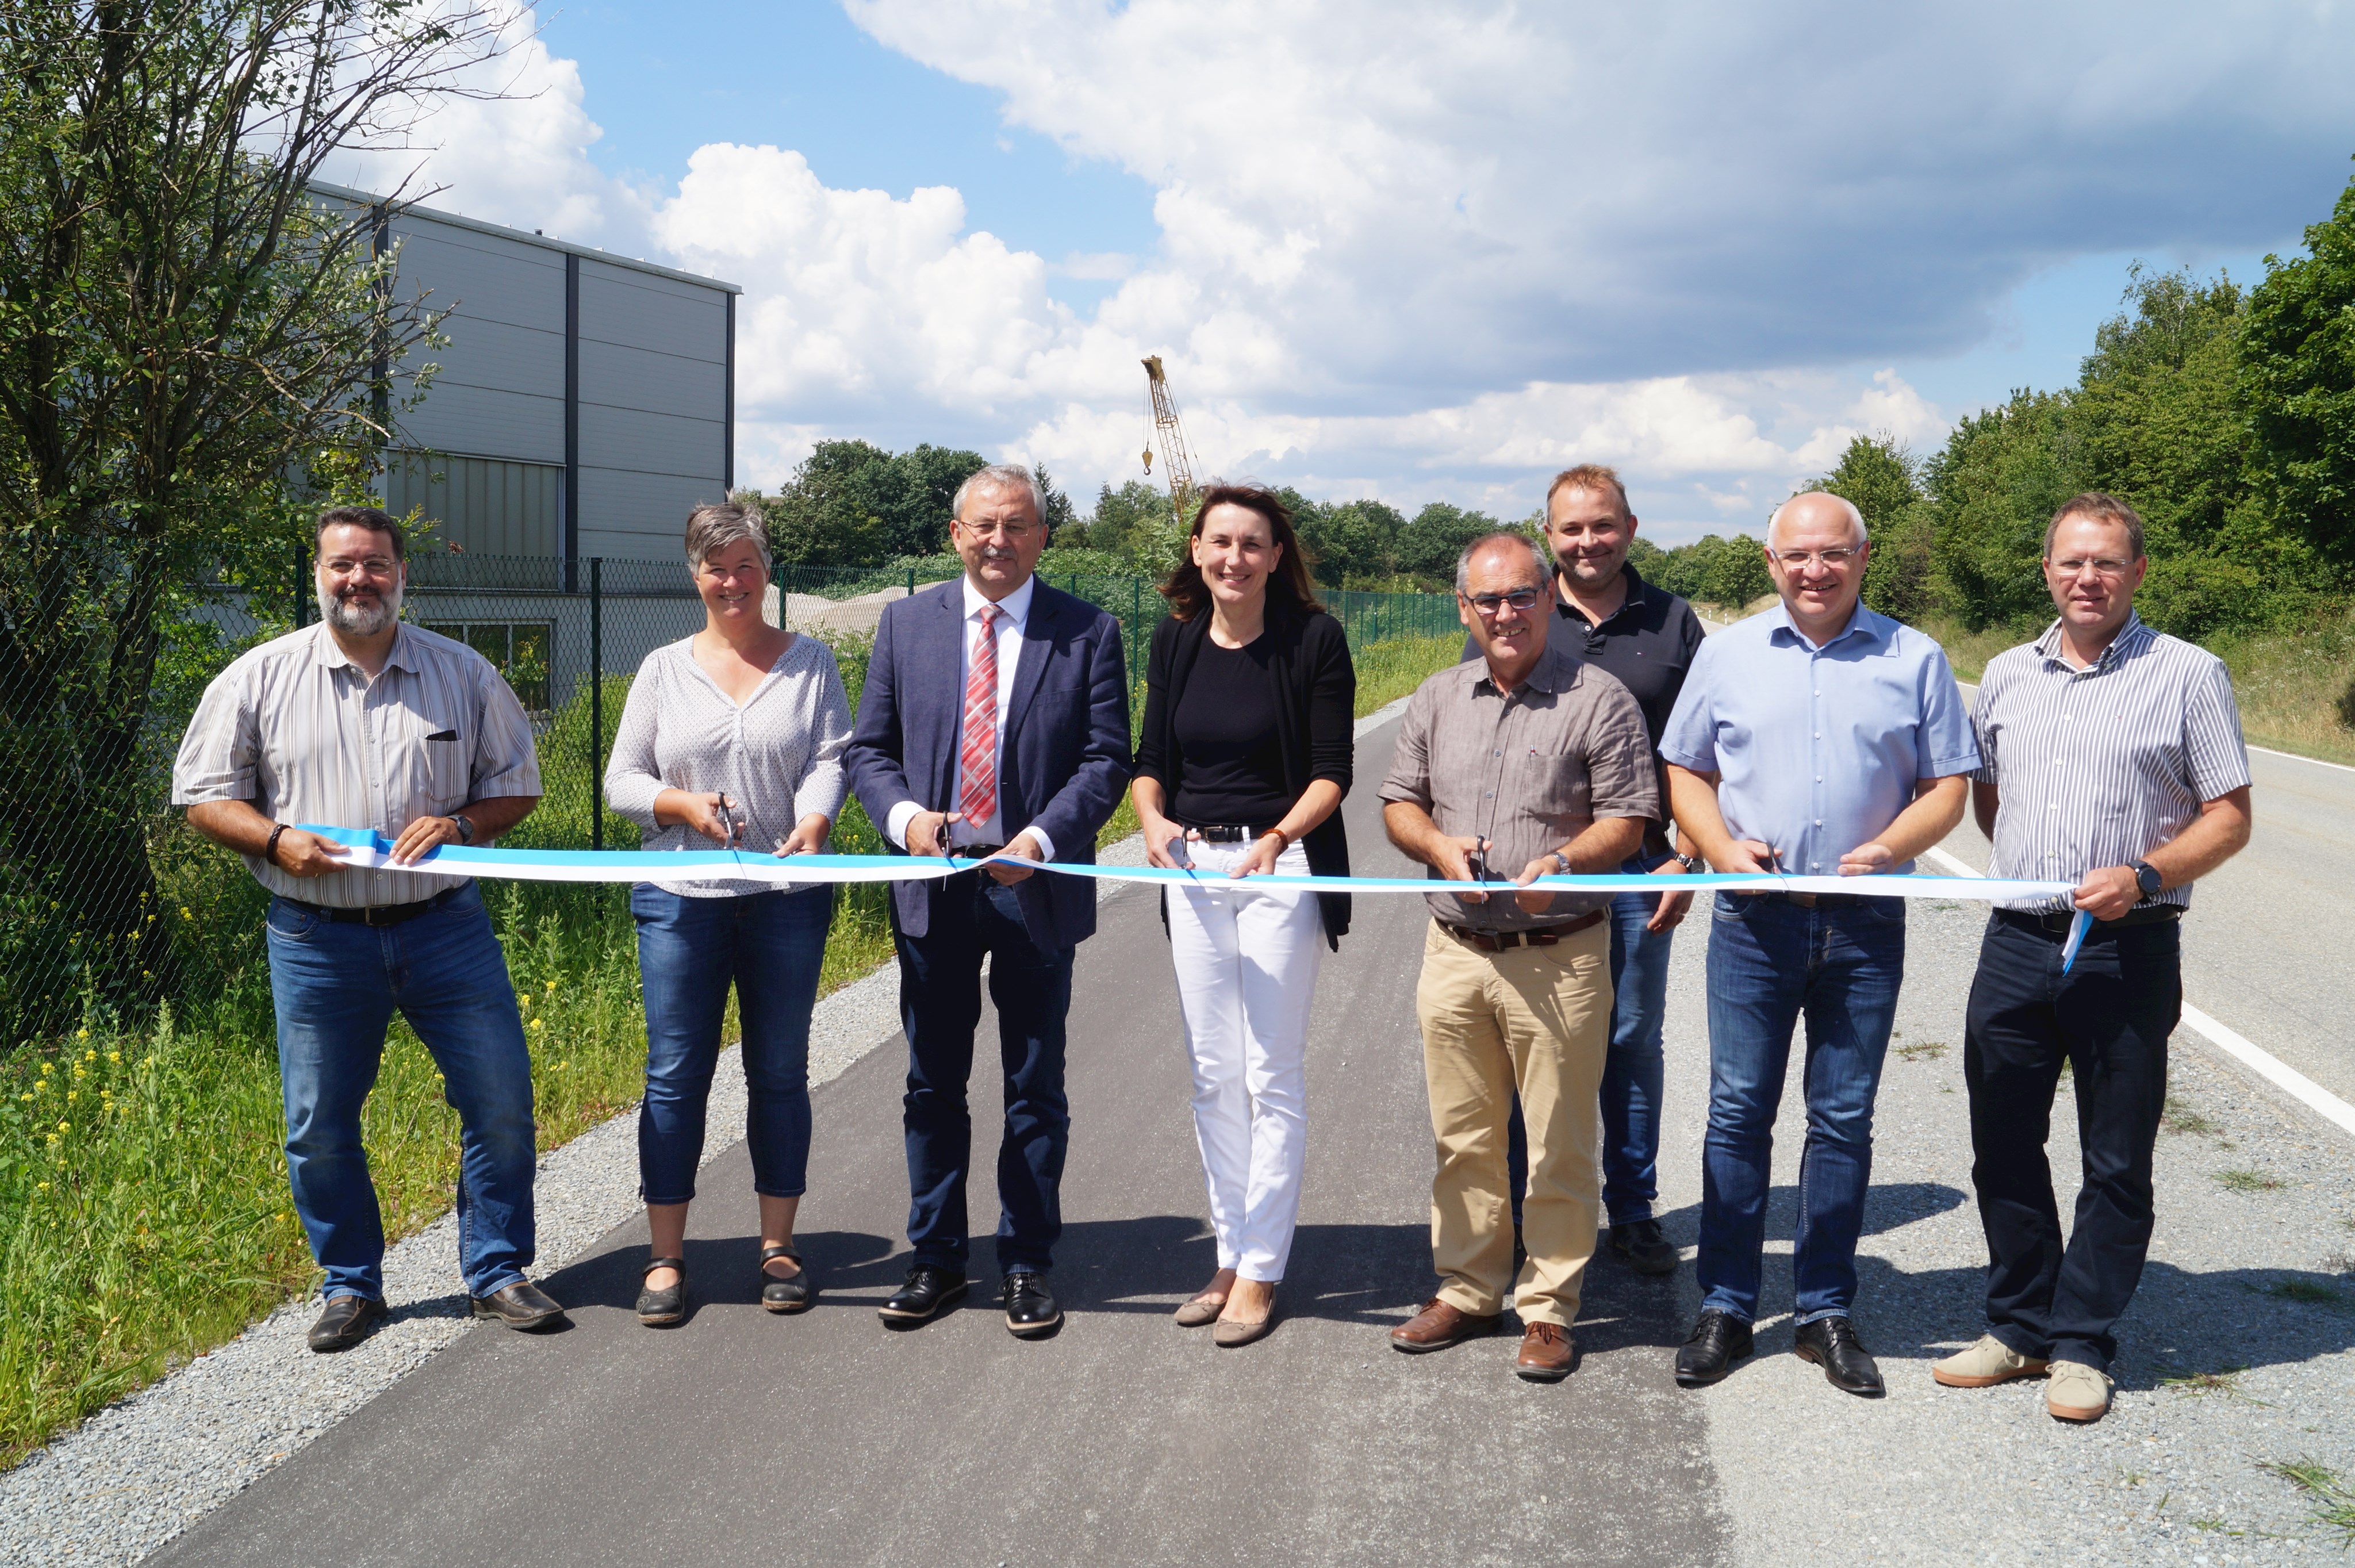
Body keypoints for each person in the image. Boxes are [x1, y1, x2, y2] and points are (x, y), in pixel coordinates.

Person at [172, 505, 562, 1352]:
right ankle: (352, 1285)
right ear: (317, 575)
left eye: (377, 565)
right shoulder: (258, 678)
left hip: (445, 930)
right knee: (319, 1125)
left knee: (499, 1103)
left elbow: (518, 783)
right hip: (316, 940)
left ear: (401, 576)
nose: (360, 580)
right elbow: (204, 796)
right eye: (344, 565)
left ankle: (496, 1271)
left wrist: (460, 826)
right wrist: (276, 839)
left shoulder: (462, 673)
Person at [1933, 493, 2252, 1424]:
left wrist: (2146, 875)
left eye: (2107, 563)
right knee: (2004, 1141)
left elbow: (2229, 818)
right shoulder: (2003, 674)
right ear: (2047, 571)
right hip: (2016, 941)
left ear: (2137, 574)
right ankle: (2018, 1328)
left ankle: (2082, 1344)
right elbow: (1995, 805)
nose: (2088, 578)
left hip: (2129, 949)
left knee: (2115, 1158)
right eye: (2072, 562)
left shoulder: (2189, 674)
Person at [1660, 491, 1979, 1397]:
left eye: (1833, 553)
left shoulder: (1914, 657)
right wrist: (1721, 850)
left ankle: (1825, 1311)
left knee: (1842, 1120)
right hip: (1752, 922)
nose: (1815, 569)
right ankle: (1724, 1302)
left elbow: (1947, 784)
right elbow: (1684, 770)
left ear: (1863, 556)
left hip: (1866, 920)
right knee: (1737, 1113)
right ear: (1772, 562)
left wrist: (1888, 849)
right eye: (1797, 555)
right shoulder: (1725, 657)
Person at [845, 463, 1131, 1339]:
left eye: (1016, 526)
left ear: (1043, 536)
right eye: (982, 526)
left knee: (1032, 1084)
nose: (998, 541)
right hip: (936, 888)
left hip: (1033, 891)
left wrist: (1039, 842)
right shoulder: (905, 624)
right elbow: (869, 751)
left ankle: (1026, 1262)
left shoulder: (1087, 631)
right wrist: (903, 821)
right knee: (933, 1081)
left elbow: (1106, 759)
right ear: (956, 535)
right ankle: (934, 1258)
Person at [1379, 532, 1659, 1383]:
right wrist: (1435, 845)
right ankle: (1468, 1289)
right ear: (1463, 608)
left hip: (1560, 953)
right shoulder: (1434, 697)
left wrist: (1568, 862)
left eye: (1521, 597)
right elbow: (1400, 803)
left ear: (1548, 599)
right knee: (1463, 1135)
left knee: (1559, 1141)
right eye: (1487, 601)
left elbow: (1630, 819)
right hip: (1456, 951)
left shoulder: (1598, 698)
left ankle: (1549, 1307)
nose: (1505, 615)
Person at [603, 501, 853, 1327]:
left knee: (779, 1072)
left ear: (767, 570)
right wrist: (677, 804)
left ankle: (777, 1247)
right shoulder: (662, 670)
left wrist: (816, 821)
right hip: (680, 902)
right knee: (675, 1078)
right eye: (717, 567)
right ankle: (666, 1256)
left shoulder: (811, 663)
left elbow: (830, 759)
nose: (733, 581)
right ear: (694, 575)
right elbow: (623, 782)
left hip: (786, 901)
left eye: (747, 565)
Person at [1468, 465, 1707, 1277]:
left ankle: (1633, 1211)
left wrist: (1690, 853)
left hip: (1638, 874)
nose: (1587, 542)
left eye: (1602, 526)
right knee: (1524, 1044)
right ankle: (1519, 1209)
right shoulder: (1519, 608)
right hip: (1536, 883)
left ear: (1630, 529)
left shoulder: (1674, 624)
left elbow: (1699, 753)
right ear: (1548, 538)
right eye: (1570, 529)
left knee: (1631, 1040)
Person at [1131, 484, 1356, 1348]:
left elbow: (1331, 772)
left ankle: (1262, 1269)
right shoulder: (1176, 638)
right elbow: (1153, 760)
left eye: (1251, 544)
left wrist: (1278, 836)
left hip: (1280, 862)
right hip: (1193, 868)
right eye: (1219, 542)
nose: (1234, 558)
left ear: (1274, 557)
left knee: (1271, 1073)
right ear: (1197, 551)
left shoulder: (1313, 639)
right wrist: (1151, 820)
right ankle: (1228, 1252)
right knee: (1211, 1072)